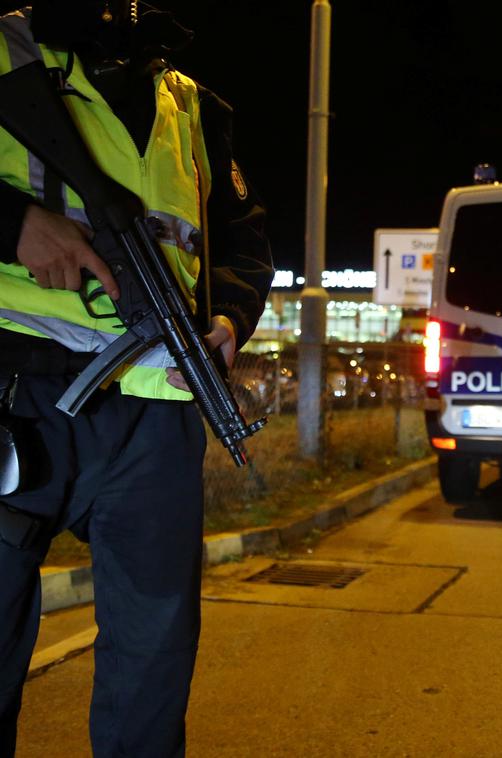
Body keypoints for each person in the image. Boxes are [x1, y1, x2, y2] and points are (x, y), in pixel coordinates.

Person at [0, 2, 273, 755]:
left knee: (153, 670)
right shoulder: (5, 51)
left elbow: (243, 245)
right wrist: (13, 224)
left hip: (156, 412)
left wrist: (228, 322)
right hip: (14, 387)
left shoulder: (190, 104)